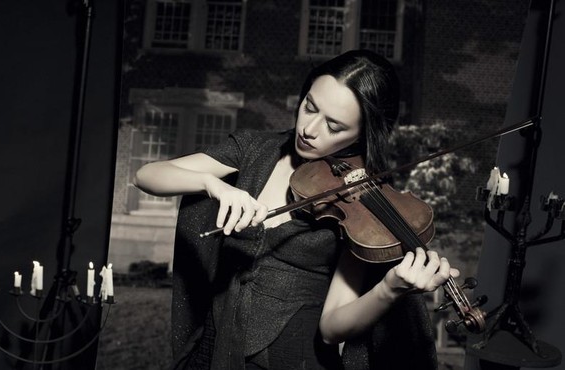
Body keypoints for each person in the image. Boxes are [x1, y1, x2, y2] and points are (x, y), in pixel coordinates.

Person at [134, 50, 458, 369]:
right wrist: (212, 183)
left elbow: (332, 328)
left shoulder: (361, 205)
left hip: (294, 360)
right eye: (309, 107)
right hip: (214, 349)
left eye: (334, 126)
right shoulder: (253, 149)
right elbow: (147, 175)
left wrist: (389, 289)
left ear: (363, 134)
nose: (309, 129)